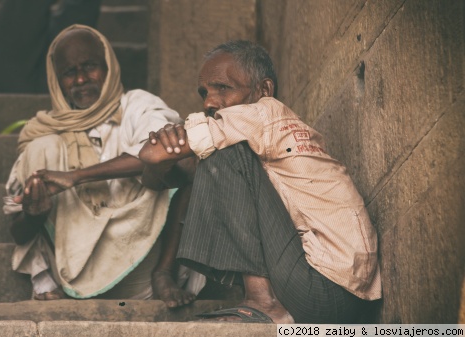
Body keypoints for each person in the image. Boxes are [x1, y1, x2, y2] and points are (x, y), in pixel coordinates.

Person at [139, 40, 382, 323]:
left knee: (221, 153)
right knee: (212, 158)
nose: (209, 102)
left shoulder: (264, 113)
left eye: (223, 88)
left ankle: (262, 302)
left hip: (326, 290)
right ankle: (263, 301)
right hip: (341, 296)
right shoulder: (265, 135)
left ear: (264, 90)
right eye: (204, 92)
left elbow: (151, 153)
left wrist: (164, 142)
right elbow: (158, 176)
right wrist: (168, 148)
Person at [3, 24, 202, 306]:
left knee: (182, 162)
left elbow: (163, 150)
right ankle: (57, 286)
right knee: (42, 148)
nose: (82, 79)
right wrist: (35, 214)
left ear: (108, 67)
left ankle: (164, 272)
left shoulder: (137, 105)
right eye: (70, 73)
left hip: (142, 265)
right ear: (57, 81)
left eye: (90, 66)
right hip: (73, 272)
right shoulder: (44, 131)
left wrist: (76, 176)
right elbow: (19, 233)